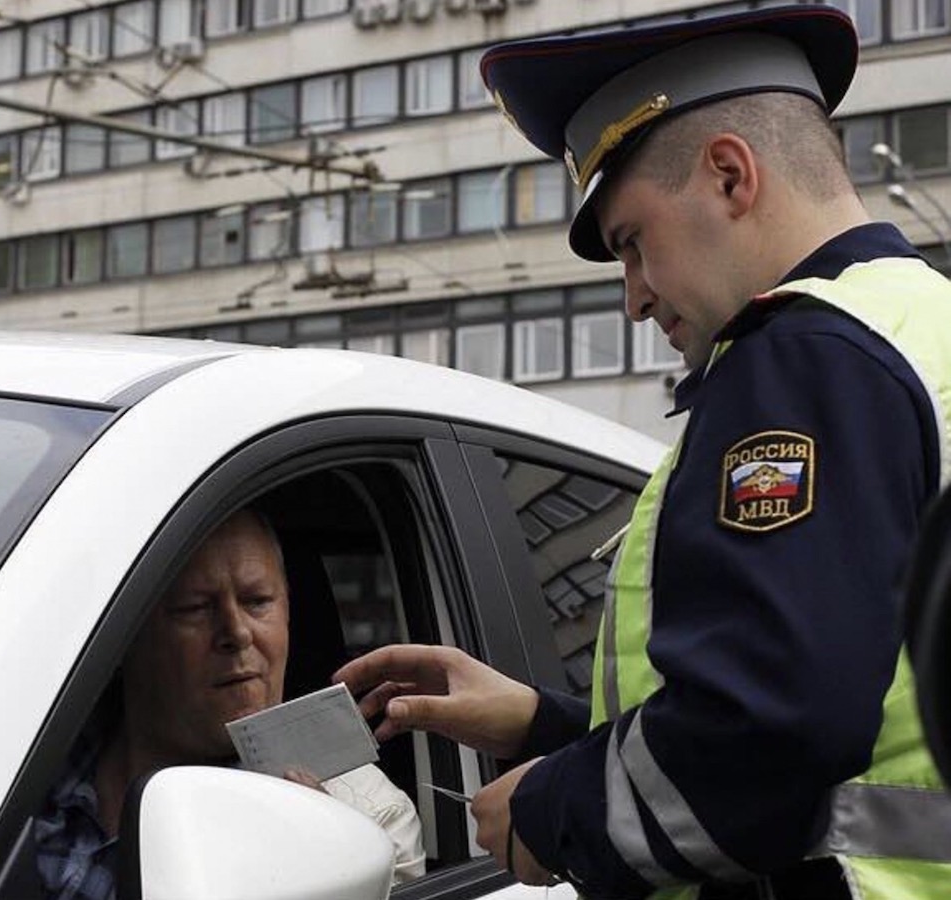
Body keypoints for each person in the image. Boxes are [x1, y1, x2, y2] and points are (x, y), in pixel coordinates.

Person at [334, 6, 951, 899]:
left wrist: (555, 806)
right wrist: (547, 726)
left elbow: (771, 732)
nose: (633, 298)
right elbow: (856, 688)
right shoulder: (918, 326)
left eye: (631, 243)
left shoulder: (803, 359)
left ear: (730, 176)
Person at [35, 507, 425, 899]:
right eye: (196, 607)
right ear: (123, 634)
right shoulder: (26, 766)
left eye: (257, 601)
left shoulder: (370, 820)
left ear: (289, 612)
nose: (237, 633)